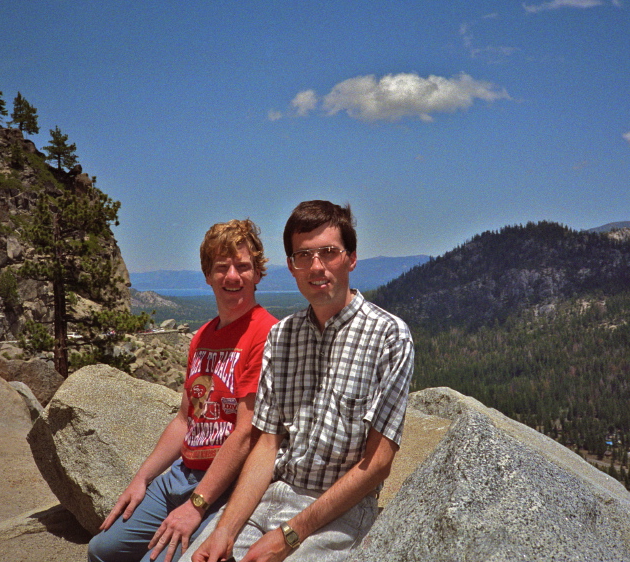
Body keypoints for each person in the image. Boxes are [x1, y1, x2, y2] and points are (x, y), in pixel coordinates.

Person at [188, 200, 414, 562]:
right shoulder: (283, 337)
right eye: (303, 256)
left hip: (339, 511)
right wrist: (225, 531)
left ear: (351, 258)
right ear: (292, 266)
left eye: (328, 252)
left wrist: (291, 534)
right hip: (269, 496)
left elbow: (379, 463)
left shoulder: (389, 337)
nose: (316, 267)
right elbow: (266, 445)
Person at [88, 219, 278, 562]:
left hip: (224, 484)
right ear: (207, 276)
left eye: (243, 266)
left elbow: (246, 433)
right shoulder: (201, 337)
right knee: (101, 550)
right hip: (181, 474)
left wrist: (197, 504)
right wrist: (142, 478)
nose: (232, 276)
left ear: (258, 274)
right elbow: (184, 420)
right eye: (222, 268)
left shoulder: (265, 334)